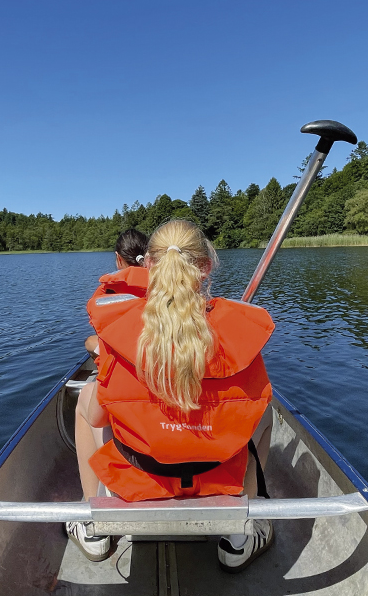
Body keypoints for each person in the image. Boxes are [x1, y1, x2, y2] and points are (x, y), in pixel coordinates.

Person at [69, 219, 276, 572]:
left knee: (87, 403)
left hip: (138, 482)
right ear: (206, 267)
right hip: (217, 482)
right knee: (266, 414)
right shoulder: (238, 334)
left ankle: (93, 529)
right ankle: (239, 540)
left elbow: (100, 416)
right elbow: (251, 411)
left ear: (148, 265)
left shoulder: (120, 333)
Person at [83, 229, 149, 358]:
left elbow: (101, 329)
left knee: (90, 342)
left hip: (126, 356)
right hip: (157, 352)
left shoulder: (105, 292)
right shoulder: (164, 283)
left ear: (118, 258)